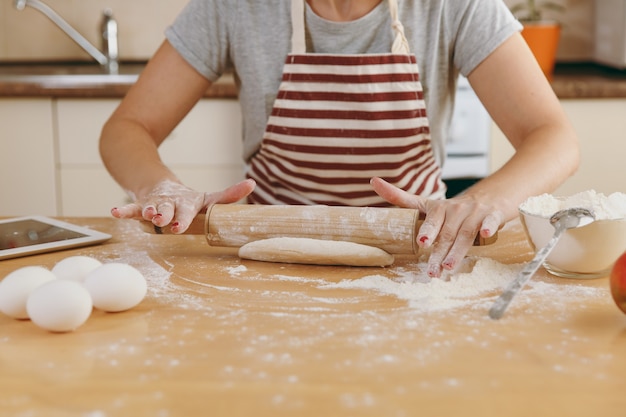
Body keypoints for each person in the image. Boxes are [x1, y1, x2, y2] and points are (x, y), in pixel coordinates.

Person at [99, 0, 579, 278]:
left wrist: (479, 203)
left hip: (418, 256)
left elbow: (554, 137)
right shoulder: (235, 6)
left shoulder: (452, 5)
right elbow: (127, 128)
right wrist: (158, 186)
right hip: (267, 258)